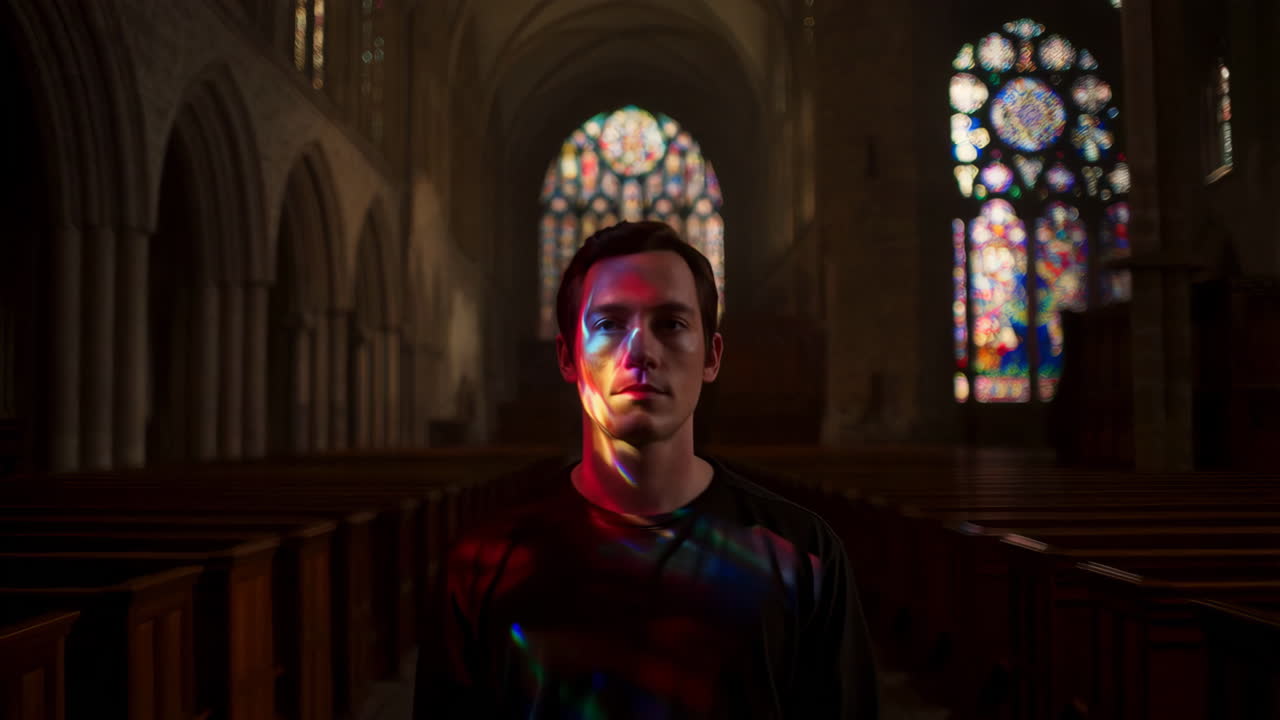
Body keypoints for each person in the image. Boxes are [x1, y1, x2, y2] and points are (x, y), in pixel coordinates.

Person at [413, 221, 878, 718]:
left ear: (712, 356)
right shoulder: (486, 565)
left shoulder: (802, 555)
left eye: (671, 324)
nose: (641, 352)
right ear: (569, 357)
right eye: (609, 324)